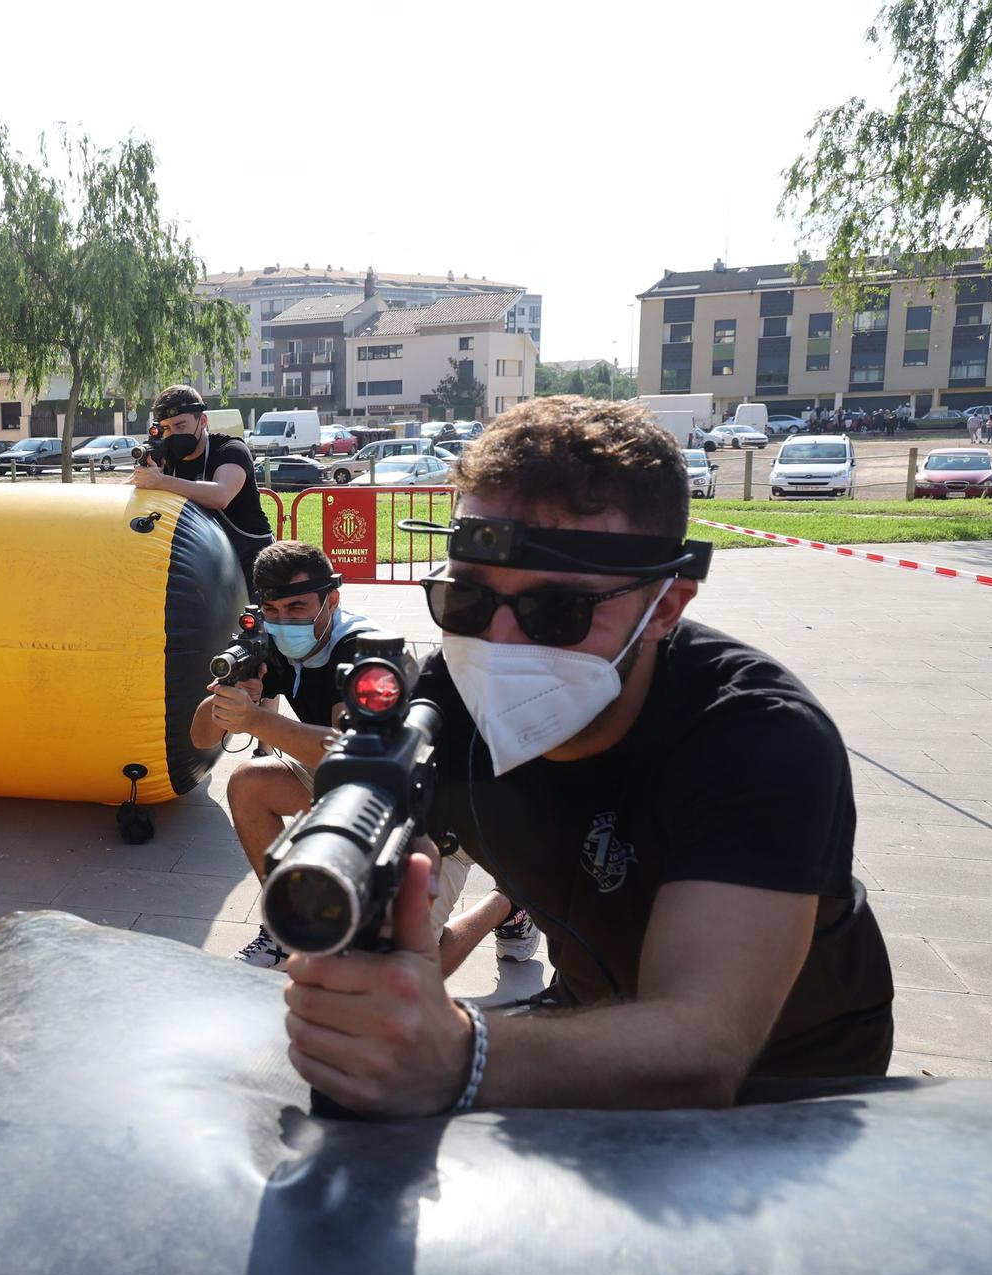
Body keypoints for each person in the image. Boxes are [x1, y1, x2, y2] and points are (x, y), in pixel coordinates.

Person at [280, 397, 895, 1118]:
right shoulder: (450, 697)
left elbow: (702, 1047)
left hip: (790, 1077)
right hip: (585, 1007)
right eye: (467, 599)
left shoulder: (759, 735)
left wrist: (459, 1052)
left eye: (556, 612)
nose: (499, 644)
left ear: (664, 608)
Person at [190, 540, 531, 971]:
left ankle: (507, 903)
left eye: (297, 608)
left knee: (406, 969)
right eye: (271, 610)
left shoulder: (365, 651)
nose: (283, 621)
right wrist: (232, 695)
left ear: (332, 599)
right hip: (352, 787)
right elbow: (201, 736)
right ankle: (285, 925)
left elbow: (351, 750)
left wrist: (256, 721)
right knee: (249, 781)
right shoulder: (272, 640)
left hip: (430, 806)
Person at [132, 384, 274, 592]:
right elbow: (132, 485)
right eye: (167, 429)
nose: (174, 434)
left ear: (203, 420)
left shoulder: (230, 449)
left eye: (181, 425)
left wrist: (161, 482)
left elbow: (221, 495)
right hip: (199, 564)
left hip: (250, 563)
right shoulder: (165, 456)